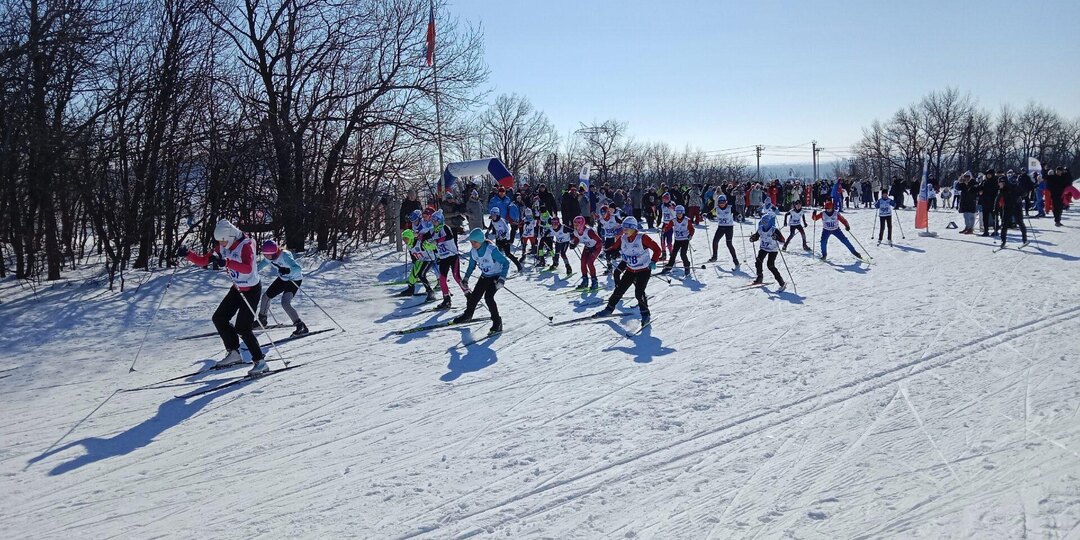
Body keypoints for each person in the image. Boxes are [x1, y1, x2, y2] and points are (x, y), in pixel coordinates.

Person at [176, 219, 268, 376]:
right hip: (237, 288)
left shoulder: (246, 245)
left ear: (231, 235)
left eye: (224, 240)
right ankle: (234, 353)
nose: (222, 244)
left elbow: (247, 268)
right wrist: (188, 254)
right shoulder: (223, 246)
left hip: (251, 289)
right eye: (219, 241)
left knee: (243, 328)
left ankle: (260, 362)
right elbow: (205, 260)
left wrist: (226, 262)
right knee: (219, 318)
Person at [593, 217, 661, 326]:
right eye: (624, 227)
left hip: (643, 270)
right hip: (630, 269)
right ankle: (609, 309)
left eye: (627, 228)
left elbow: (657, 249)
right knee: (619, 290)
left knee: (639, 293)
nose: (625, 230)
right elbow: (614, 248)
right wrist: (607, 252)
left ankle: (645, 314)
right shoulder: (622, 238)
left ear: (634, 228)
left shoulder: (642, 238)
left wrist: (653, 261)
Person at [453, 229, 509, 334]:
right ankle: (467, 315)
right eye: (471, 242)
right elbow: (471, 266)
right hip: (485, 276)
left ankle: (497, 322)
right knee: (474, 297)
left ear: (480, 241)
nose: (472, 244)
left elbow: (505, 263)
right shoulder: (473, 252)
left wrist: (502, 278)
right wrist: (466, 279)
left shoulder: (491, 250)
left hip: (496, 276)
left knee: (488, 297)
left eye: (475, 242)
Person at [256, 240, 308, 336]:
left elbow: (298, 269)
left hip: (294, 280)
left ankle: (300, 325)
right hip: (283, 279)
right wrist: (252, 272)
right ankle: (262, 320)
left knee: (285, 302)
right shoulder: (270, 257)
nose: (266, 257)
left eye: (267, 255)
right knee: (266, 297)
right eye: (265, 254)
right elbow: (262, 264)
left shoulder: (285, 256)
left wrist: (288, 271)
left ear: (274, 252)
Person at [430, 210, 469, 309]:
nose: (433, 222)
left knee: (457, 277)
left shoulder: (445, 227)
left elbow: (448, 237)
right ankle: (446, 300)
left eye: (435, 220)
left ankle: (469, 295)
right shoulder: (433, 231)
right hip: (443, 258)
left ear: (440, 220)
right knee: (442, 279)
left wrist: (436, 241)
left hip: (452, 256)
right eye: (432, 221)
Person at [747, 214, 786, 290]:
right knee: (758, 261)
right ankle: (759, 277)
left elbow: (783, 240)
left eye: (766, 222)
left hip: (773, 250)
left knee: (770, 265)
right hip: (763, 248)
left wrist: (777, 238)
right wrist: (753, 238)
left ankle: (781, 281)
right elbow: (757, 236)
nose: (764, 223)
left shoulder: (774, 230)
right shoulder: (760, 229)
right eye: (763, 222)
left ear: (769, 222)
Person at [660, 205, 695, 276]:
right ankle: (669, 266)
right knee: (673, 254)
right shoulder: (673, 220)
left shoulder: (687, 220)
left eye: (680, 213)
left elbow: (692, 229)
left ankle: (687, 266)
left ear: (683, 213)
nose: (679, 215)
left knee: (683, 254)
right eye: (678, 213)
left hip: (685, 240)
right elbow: (668, 227)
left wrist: (690, 235)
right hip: (677, 240)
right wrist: (664, 230)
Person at [570, 215, 602, 290]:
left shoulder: (589, 231)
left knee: (590, 263)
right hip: (588, 246)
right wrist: (574, 244)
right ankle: (585, 280)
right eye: (574, 224)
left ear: (581, 224)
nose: (575, 226)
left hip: (596, 247)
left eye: (577, 225)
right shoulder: (576, 231)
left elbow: (599, 241)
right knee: (583, 262)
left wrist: (594, 248)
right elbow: (577, 238)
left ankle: (594, 281)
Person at [485, 207, 522, 272]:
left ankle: (518, 265)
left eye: (493, 215)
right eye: (491, 215)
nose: (492, 216)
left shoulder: (501, 221)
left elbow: (507, 229)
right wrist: (487, 231)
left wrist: (504, 234)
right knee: (497, 253)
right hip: (498, 238)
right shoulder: (493, 220)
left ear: (496, 214)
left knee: (508, 254)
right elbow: (491, 226)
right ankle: (497, 268)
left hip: (505, 239)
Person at [708, 194, 740, 268]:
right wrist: (705, 215)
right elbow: (710, 213)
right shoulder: (716, 209)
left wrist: (738, 215)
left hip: (729, 227)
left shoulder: (730, 208)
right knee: (715, 241)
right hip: (721, 227)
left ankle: (735, 260)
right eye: (720, 202)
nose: (721, 204)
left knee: (729, 244)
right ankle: (714, 257)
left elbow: (736, 213)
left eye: (723, 202)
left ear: (726, 202)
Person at [996, 175, 1028, 248]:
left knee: (1020, 222)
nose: (999, 184)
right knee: (1004, 224)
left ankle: (1025, 239)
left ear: (1004, 183)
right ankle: (1003, 241)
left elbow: (1023, 193)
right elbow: (997, 199)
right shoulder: (1001, 189)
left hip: (1016, 207)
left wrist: (1021, 195)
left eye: (1000, 183)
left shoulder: (1013, 187)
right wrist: (995, 209)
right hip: (1007, 207)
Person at [596, 205, 622, 273]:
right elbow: (598, 229)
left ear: (607, 212)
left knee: (615, 253)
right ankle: (609, 267)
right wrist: (600, 236)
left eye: (604, 213)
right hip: (608, 238)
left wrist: (618, 229)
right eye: (602, 214)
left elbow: (622, 223)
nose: (603, 215)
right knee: (607, 253)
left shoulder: (613, 217)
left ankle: (624, 264)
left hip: (615, 238)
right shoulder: (601, 220)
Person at [978, 170, 1000, 236]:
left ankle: (996, 230)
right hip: (985, 201)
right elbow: (980, 188)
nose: (988, 175)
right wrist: (980, 191)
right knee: (985, 217)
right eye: (987, 174)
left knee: (994, 216)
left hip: (993, 202)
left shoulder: (995, 181)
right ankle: (986, 230)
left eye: (990, 174)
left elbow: (996, 191)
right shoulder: (984, 181)